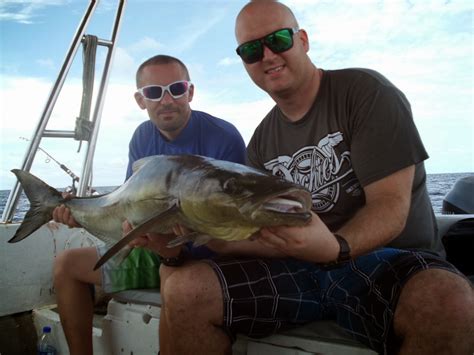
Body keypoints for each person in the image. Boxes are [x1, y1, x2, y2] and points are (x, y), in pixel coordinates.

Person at [154, 1, 474, 355]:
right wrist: (212, 239)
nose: (267, 55)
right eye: (250, 50)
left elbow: (390, 206)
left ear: (302, 40)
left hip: (388, 260)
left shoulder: (366, 93)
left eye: (277, 39)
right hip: (300, 271)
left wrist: (336, 248)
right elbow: (261, 234)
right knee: (184, 289)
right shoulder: (261, 140)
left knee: (450, 301)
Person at [52, 54, 246, 355]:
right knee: (66, 265)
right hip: (154, 248)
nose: (166, 99)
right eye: (154, 92)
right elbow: (126, 202)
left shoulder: (224, 137)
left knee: (174, 281)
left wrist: (173, 246)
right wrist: (82, 213)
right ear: (141, 100)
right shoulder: (141, 137)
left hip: (207, 258)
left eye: (176, 89)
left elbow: (234, 215)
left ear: (190, 92)